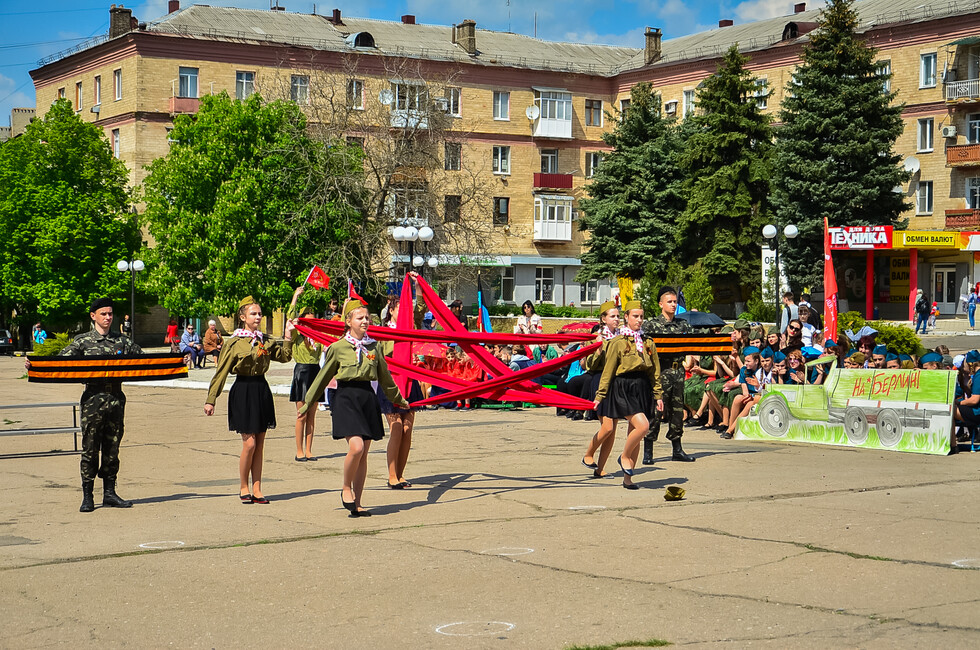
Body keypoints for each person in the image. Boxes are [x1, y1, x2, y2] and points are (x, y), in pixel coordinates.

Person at [300, 300, 409, 517]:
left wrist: (399, 400)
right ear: (348, 321)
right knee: (356, 447)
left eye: (367, 317)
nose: (365, 321)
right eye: (360, 318)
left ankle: (357, 503)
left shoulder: (374, 346)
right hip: (346, 397)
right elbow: (323, 377)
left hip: (366, 397)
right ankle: (346, 487)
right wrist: (308, 402)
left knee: (364, 453)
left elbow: (385, 379)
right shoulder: (337, 347)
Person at [46, 298, 143, 512]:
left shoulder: (122, 342)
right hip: (92, 400)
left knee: (112, 449)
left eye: (110, 314)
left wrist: (178, 361)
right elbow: (60, 362)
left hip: (116, 400)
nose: (108, 317)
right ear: (93, 316)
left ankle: (109, 493)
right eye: (103, 314)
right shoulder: (83, 341)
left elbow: (145, 362)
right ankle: (88, 496)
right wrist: (34, 365)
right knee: (90, 449)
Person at [205, 296, 295, 505]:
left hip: (261, 390)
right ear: (242, 317)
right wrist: (211, 399)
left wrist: (288, 336)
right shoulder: (234, 342)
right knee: (250, 443)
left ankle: (257, 488)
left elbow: (284, 356)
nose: (258, 317)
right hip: (243, 391)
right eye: (253, 314)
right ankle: (243, 485)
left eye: (259, 313)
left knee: (260, 444)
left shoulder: (265, 339)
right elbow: (222, 372)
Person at [593, 300, 662, 490]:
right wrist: (600, 396)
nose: (639, 320)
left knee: (636, 434)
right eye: (635, 316)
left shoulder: (648, 342)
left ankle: (628, 479)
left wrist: (658, 395)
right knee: (643, 426)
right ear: (626, 317)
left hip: (642, 388)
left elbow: (654, 371)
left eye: (641, 316)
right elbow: (608, 371)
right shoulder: (618, 342)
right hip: (623, 387)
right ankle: (624, 456)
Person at [641, 286, 696, 464]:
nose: (673, 305)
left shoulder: (682, 324)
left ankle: (677, 449)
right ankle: (648, 450)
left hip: (678, 371)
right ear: (660, 304)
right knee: (656, 411)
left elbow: (696, 339)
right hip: (660, 372)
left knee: (677, 411)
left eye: (674, 302)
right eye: (670, 302)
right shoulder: (651, 325)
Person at [378, 292, 426, 488]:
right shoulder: (383, 332)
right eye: (402, 310)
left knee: (407, 428)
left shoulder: (410, 329)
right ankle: (391, 475)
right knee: (396, 427)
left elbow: (421, 310)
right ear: (391, 311)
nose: (407, 314)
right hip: (390, 382)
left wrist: (418, 288)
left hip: (409, 382)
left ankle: (400, 474)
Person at [581, 301, 623, 477]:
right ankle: (588, 455)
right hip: (600, 382)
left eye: (618, 316)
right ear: (603, 319)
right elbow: (588, 365)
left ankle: (600, 469)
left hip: (616, 383)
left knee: (612, 430)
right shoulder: (597, 337)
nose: (616, 319)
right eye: (612, 316)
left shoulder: (622, 336)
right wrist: (597, 350)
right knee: (607, 427)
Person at [288, 285, 323, 462]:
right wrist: (295, 296)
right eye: (307, 322)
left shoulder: (317, 337)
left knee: (312, 414)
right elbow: (290, 317)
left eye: (313, 322)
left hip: (315, 372)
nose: (311, 324)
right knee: (301, 413)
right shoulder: (297, 335)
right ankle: (299, 450)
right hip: (301, 372)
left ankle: (309, 450)